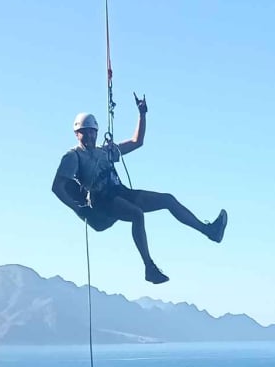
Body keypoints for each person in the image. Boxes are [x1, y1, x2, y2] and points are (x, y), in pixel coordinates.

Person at [51, 95, 227, 284]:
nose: (90, 136)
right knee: (136, 214)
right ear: (77, 134)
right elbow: (57, 187)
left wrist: (142, 114)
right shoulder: (73, 157)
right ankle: (149, 268)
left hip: (120, 192)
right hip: (102, 201)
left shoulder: (106, 151)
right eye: (85, 132)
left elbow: (137, 141)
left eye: (93, 132)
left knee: (167, 199)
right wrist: (77, 209)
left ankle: (209, 231)